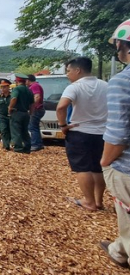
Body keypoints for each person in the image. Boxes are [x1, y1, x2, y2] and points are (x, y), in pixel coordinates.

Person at [56, 57, 107, 211]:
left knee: (82, 168)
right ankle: (99, 201)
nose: (67, 74)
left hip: (80, 132)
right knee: (98, 167)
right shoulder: (105, 85)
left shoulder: (74, 87)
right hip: (103, 134)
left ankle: (89, 202)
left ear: (78, 70)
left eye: (69, 71)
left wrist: (63, 125)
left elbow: (61, 107)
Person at [99, 19, 130, 268]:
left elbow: (118, 134)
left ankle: (123, 250)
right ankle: (118, 250)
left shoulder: (121, 81)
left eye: (118, 44)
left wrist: (105, 161)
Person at [8, 74, 34, 154]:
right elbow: (32, 104)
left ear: (17, 81)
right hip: (26, 113)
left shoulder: (16, 89)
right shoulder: (29, 90)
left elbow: (14, 98)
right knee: (25, 131)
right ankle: (27, 147)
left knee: (16, 131)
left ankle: (18, 148)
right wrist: (31, 113)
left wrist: (10, 108)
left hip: (17, 112)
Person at [26, 74, 45, 151]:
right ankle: (39, 143)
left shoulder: (34, 86)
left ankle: (35, 144)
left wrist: (31, 106)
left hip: (36, 109)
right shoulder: (35, 86)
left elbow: (37, 97)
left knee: (32, 127)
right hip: (38, 108)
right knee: (35, 126)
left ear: (28, 80)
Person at [0, 79, 12, 151]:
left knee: (9, 130)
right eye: (1, 87)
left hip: (10, 117)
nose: (2, 89)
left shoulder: (12, 97)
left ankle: (7, 143)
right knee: (3, 130)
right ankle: (6, 146)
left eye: (4, 87)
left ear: (8, 87)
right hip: (1, 117)